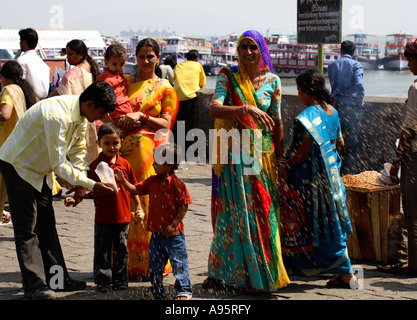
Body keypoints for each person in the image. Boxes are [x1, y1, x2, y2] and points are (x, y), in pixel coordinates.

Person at [0, 81, 116, 300]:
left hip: (39, 168)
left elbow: (79, 148)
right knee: (27, 230)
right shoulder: (57, 115)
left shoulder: (81, 115)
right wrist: (92, 185)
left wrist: (81, 181)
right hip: (18, 165)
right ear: (90, 104)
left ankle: (57, 279)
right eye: (102, 112)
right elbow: (60, 165)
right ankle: (34, 287)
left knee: (46, 225)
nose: (104, 118)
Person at [205, 30, 290, 292]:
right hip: (234, 152)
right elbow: (214, 108)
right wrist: (246, 108)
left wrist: (280, 158)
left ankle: (264, 272)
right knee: (234, 212)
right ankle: (227, 272)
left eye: (253, 47)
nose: (247, 52)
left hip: (262, 154)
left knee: (264, 210)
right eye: (243, 47)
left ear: (262, 50)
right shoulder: (227, 77)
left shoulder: (273, 81)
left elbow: (276, 121)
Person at [280, 69, 357, 288]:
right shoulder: (333, 111)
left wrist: (287, 164)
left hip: (310, 179)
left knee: (313, 221)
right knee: (333, 221)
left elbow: (303, 151)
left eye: (298, 90)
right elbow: (340, 143)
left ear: (304, 90)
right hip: (333, 177)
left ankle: (343, 270)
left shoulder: (307, 117)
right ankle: (341, 270)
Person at [116, 38, 179, 279]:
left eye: (150, 56)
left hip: (151, 152)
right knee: (123, 204)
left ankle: (152, 263)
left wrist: (140, 117)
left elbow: (166, 123)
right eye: (141, 56)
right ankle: (124, 262)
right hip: (122, 149)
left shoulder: (165, 88)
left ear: (158, 58)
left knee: (150, 205)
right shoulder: (125, 84)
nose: (145, 60)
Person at [65, 122, 142, 292]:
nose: (111, 147)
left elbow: (134, 187)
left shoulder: (125, 165)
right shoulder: (95, 166)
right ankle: (103, 281)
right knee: (102, 250)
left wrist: (138, 205)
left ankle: (121, 279)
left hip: (123, 216)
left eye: (115, 143)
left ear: (121, 142)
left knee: (122, 249)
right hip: (102, 218)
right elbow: (86, 188)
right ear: (99, 144)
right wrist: (76, 200)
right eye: (106, 143)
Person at [114, 143, 193, 300]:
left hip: (174, 235)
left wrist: (173, 225)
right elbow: (135, 189)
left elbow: (184, 207)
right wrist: (123, 181)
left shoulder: (178, 185)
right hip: (156, 234)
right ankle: (156, 289)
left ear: (169, 165)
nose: (153, 165)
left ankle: (184, 289)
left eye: (157, 162)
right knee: (155, 265)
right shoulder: (152, 181)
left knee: (179, 263)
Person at [48, 39, 101, 168]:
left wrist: (47, 98)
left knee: (74, 163)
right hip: (92, 120)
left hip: (76, 121)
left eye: (70, 54)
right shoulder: (92, 70)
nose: (67, 58)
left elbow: (61, 97)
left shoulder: (71, 75)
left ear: (81, 53)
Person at [389, 38, 417, 276]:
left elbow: (409, 130)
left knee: (413, 210)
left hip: (415, 157)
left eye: (410, 58)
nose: (407, 63)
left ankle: (414, 263)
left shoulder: (416, 89)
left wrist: (397, 160)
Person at [0, 61, 37, 216]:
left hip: (6, 144)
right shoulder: (24, 90)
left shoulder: (8, 90)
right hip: (20, 144)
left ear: (4, 77)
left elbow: (5, 114)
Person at [328, 40, 365, 175]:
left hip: (336, 107)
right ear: (354, 52)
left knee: (335, 140)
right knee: (352, 141)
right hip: (352, 108)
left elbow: (332, 84)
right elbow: (359, 85)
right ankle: (349, 172)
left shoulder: (332, 65)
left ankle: (335, 170)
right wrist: (360, 100)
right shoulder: (356, 65)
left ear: (341, 50)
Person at [96, 44, 133, 136]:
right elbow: (102, 97)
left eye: (122, 64)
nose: (118, 67)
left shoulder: (119, 75)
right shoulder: (105, 78)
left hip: (123, 109)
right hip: (115, 112)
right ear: (106, 62)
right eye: (114, 64)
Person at [172, 50, 206, 149]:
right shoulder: (198, 65)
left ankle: (175, 147)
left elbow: (174, 80)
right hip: (189, 96)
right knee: (188, 124)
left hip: (176, 96)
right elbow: (203, 83)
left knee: (177, 123)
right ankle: (183, 149)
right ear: (197, 59)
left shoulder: (178, 66)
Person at [16, 28, 50, 100]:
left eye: (20, 41)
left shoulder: (21, 60)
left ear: (24, 42)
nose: (19, 43)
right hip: (43, 100)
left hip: (29, 101)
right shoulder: (42, 63)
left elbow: (19, 84)